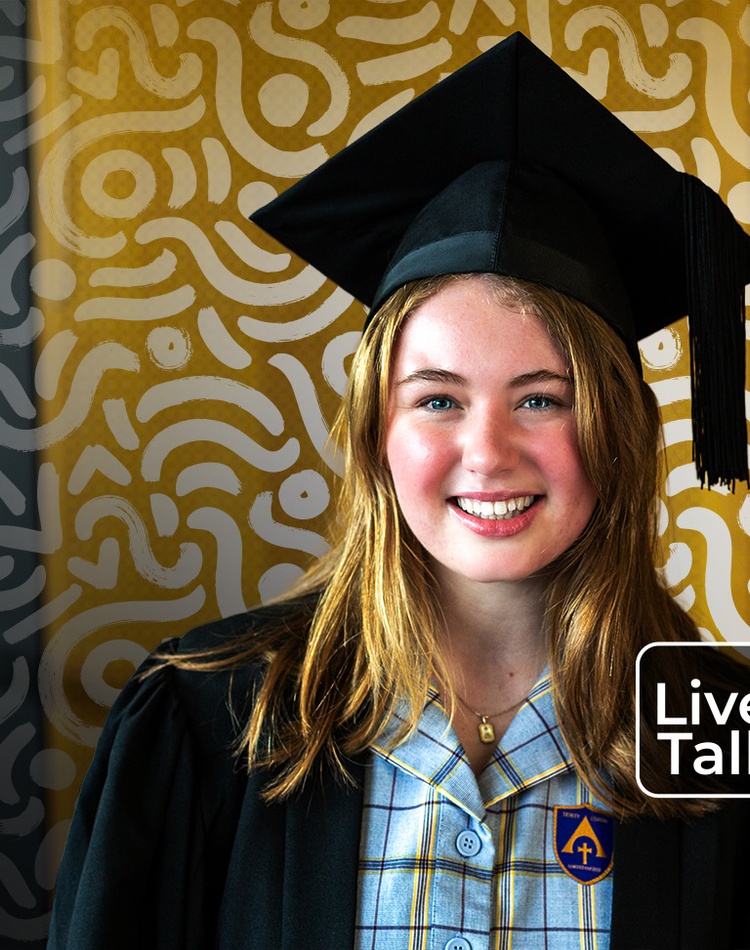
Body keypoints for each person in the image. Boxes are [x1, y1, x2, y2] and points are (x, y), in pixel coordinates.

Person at [48, 33, 750, 950]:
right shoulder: (209, 716)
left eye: (542, 398)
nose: (487, 453)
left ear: (616, 426)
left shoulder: (713, 734)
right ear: (377, 431)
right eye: (438, 400)